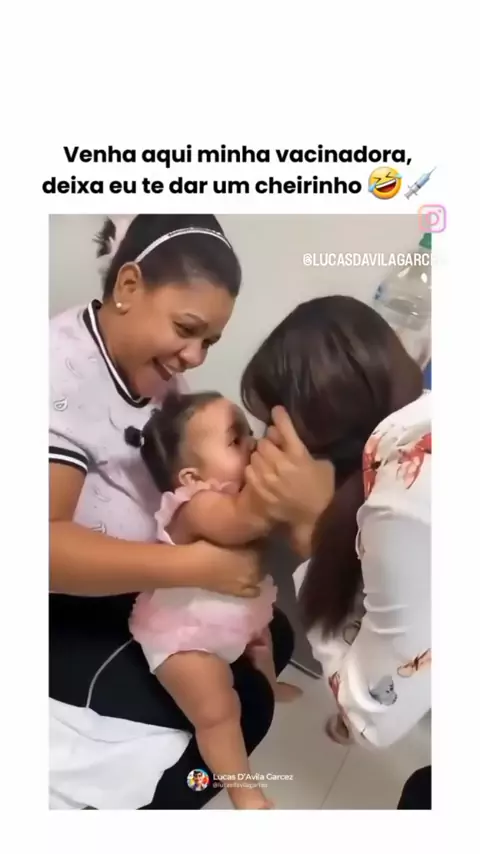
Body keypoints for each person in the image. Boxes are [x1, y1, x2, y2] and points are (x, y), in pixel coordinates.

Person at [49, 214, 294, 810]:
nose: (194, 356)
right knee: (244, 707)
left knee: (276, 635)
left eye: (209, 341)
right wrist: (196, 568)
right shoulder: (55, 376)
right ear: (129, 285)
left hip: (141, 584)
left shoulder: (157, 376)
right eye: (187, 330)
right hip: (62, 606)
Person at [240, 295, 431, 749]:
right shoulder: (416, 421)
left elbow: (371, 722)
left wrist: (311, 533)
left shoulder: (405, 499)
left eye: (271, 433)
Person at [126, 391, 299, 809]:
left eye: (248, 433)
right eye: (236, 440)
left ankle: (271, 684)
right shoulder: (196, 505)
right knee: (218, 711)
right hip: (183, 638)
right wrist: (283, 480)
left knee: (264, 643)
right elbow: (241, 523)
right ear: (190, 477)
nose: (253, 445)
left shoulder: (224, 495)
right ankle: (245, 792)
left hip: (229, 616)